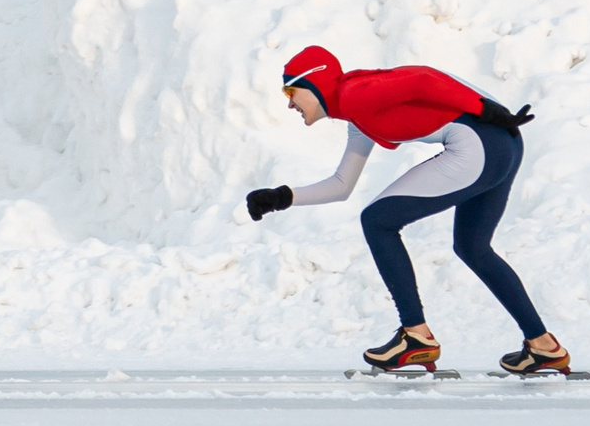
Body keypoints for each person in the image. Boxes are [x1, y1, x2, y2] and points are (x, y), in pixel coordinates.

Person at [245, 44, 572, 376]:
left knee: (378, 221)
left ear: (314, 82)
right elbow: (342, 185)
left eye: (290, 91)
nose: (289, 103)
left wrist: (484, 109)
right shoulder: (356, 113)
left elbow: (422, 80)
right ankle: (543, 346)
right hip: (502, 143)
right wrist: (281, 197)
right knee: (472, 247)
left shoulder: (354, 95)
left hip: (482, 143)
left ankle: (416, 336)